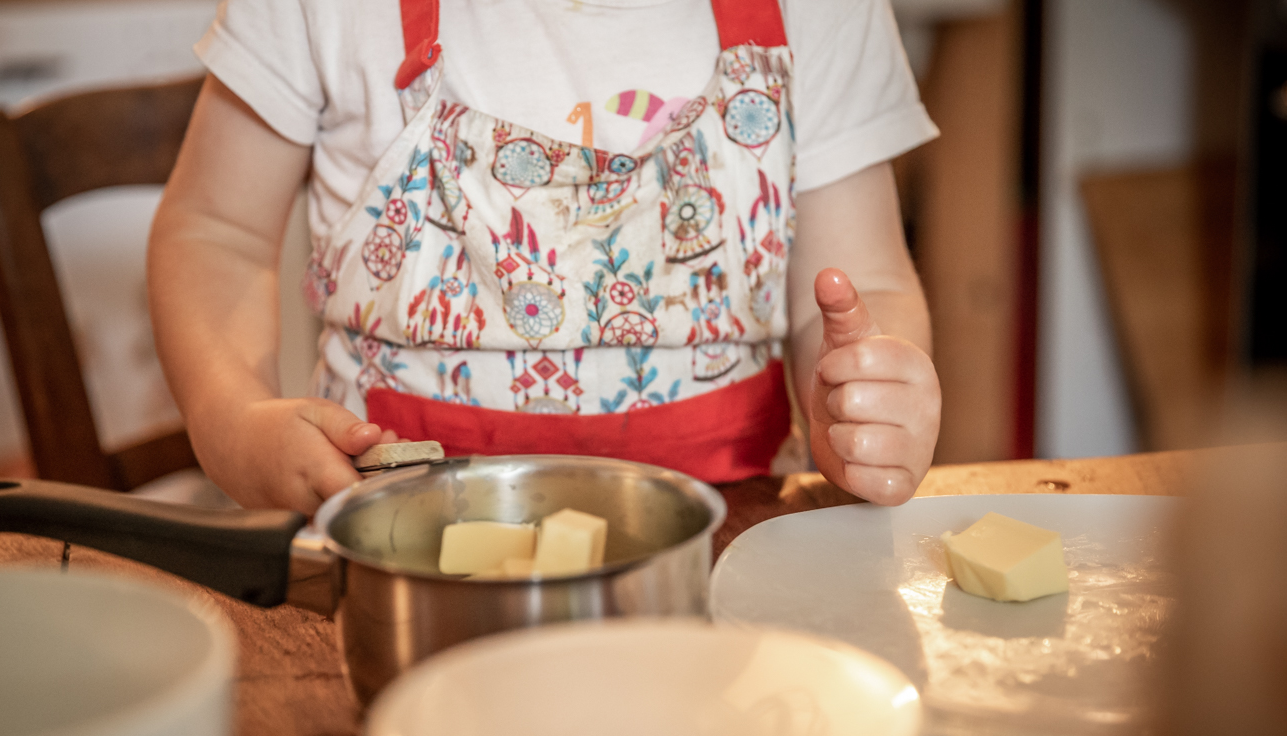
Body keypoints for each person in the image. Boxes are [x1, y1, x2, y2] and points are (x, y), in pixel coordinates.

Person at [148, 0, 942, 515]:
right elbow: (216, 234)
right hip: (397, 554)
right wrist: (231, 422)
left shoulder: (822, 12)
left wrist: (870, 398)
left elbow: (859, 286)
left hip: (731, 549)